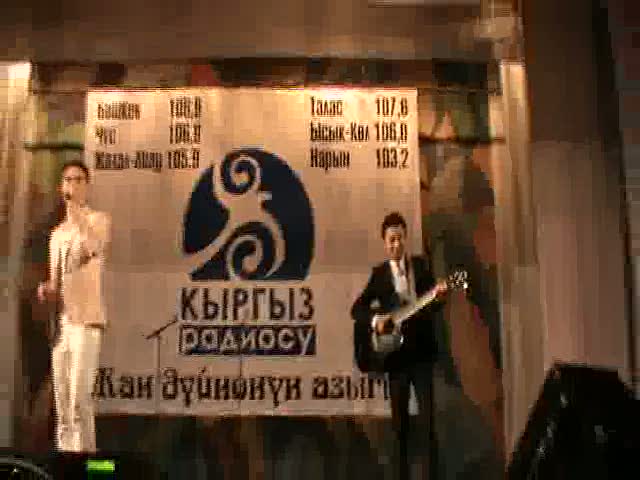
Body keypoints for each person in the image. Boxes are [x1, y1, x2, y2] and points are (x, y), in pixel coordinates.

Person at [351, 212, 448, 480]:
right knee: (399, 427)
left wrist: (440, 297)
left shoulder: (421, 267)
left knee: (428, 424)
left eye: (400, 238)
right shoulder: (380, 274)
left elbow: (433, 306)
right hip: (396, 359)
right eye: (391, 240)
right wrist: (377, 320)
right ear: (384, 243)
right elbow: (356, 310)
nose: (396, 244)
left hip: (422, 355)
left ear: (406, 238)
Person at [37, 160, 111, 453]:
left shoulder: (98, 220)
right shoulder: (57, 235)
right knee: (63, 404)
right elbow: (56, 282)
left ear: (87, 186)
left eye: (79, 180)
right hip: (62, 325)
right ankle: (65, 462)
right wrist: (47, 290)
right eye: (68, 180)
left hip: (86, 321)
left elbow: (93, 248)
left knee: (80, 400)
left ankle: (85, 462)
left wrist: (77, 214)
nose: (73, 185)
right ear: (61, 187)